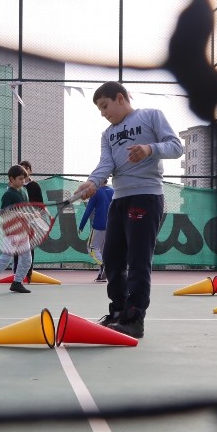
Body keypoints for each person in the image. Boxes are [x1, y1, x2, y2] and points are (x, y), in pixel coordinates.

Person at [73, 81, 184, 338]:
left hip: (146, 197)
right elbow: (106, 164)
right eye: (100, 110)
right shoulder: (107, 134)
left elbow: (176, 147)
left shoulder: (151, 116)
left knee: (137, 260)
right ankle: (119, 311)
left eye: (105, 106)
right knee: (112, 257)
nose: (103, 113)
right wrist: (92, 182)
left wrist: (149, 149)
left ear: (120, 98)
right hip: (119, 201)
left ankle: (134, 318)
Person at [0, 164, 32, 294]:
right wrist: (23, 215)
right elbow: (5, 214)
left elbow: (24, 210)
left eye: (24, 179)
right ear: (11, 179)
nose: (23, 181)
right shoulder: (8, 195)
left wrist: (31, 216)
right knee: (6, 257)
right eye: (20, 179)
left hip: (23, 231)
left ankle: (17, 283)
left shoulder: (23, 192)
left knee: (27, 259)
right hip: (12, 231)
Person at [79, 180, 114, 282]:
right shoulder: (112, 191)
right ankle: (102, 275)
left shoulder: (96, 192)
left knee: (92, 248)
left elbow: (88, 209)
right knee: (102, 250)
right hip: (110, 226)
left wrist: (81, 225)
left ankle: (105, 266)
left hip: (99, 225)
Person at [13, 160, 43, 282]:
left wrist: (35, 215)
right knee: (16, 248)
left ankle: (27, 274)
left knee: (29, 248)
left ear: (30, 171)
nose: (24, 171)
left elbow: (40, 205)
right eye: (22, 168)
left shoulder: (35, 186)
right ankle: (16, 274)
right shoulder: (15, 187)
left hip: (31, 222)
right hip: (17, 222)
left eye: (27, 168)